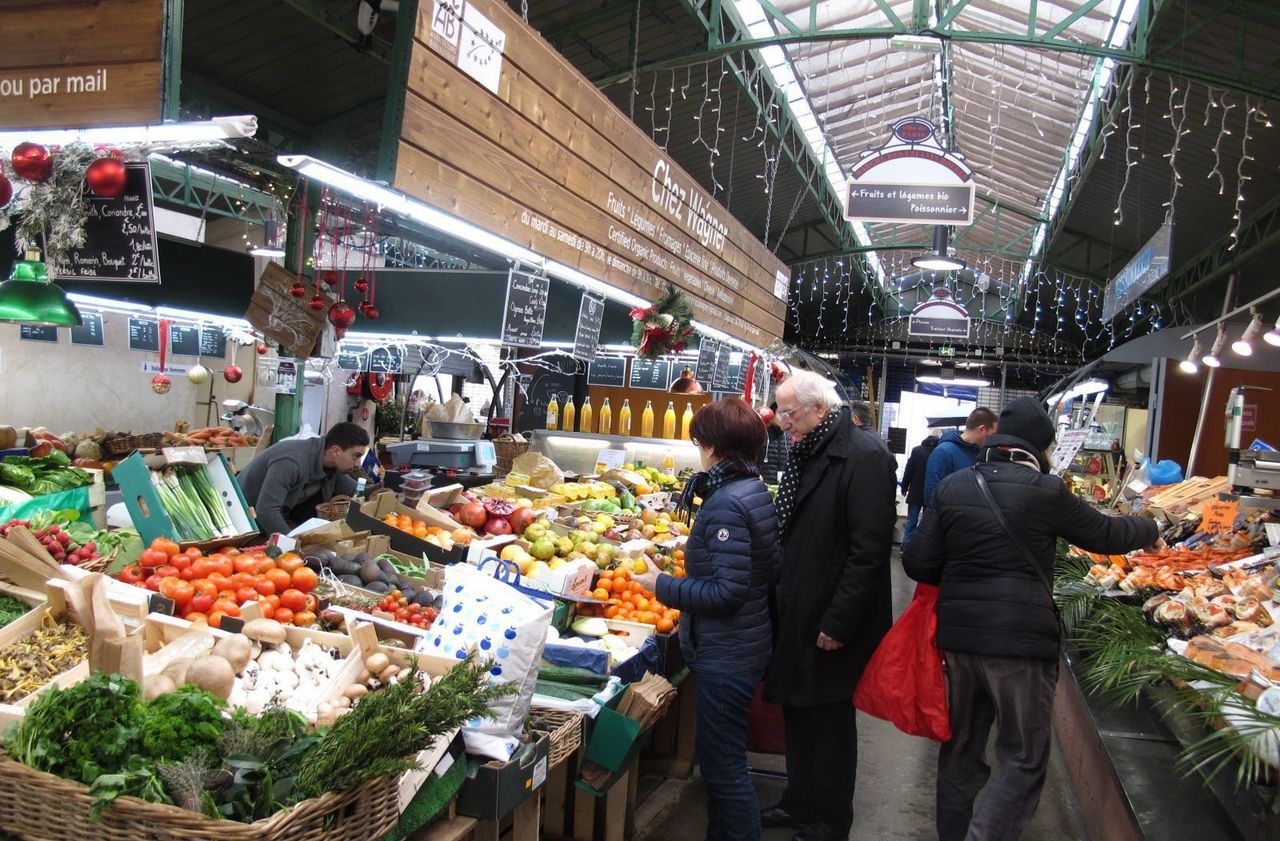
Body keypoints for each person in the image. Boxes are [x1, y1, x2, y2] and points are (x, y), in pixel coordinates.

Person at [903, 398, 1160, 841]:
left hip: (960, 641)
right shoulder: (1046, 490)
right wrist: (1152, 527)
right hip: (1020, 646)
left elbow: (919, 562)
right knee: (1022, 757)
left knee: (961, 750)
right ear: (1041, 448)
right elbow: (1105, 534)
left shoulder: (955, 487)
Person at [632, 398, 779, 841]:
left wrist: (661, 585)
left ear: (713, 445)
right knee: (723, 764)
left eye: (699, 440)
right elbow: (763, 570)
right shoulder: (752, 489)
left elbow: (727, 592)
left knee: (724, 769)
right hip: (742, 643)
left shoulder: (726, 504)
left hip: (727, 653)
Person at [760, 370, 897, 841]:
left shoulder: (864, 457)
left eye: (790, 413)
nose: (783, 423)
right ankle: (798, 801)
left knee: (831, 718)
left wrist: (839, 621)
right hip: (799, 602)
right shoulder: (808, 447)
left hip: (833, 614)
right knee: (799, 707)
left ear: (821, 409)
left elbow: (869, 551)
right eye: (780, 413)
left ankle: (831, 818)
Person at [237, 422, 370, 536]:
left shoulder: (332, 465)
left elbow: (357, 492)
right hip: (244, 520)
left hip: (281, 516)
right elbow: (266, 511)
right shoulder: (291, 462)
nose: (358, 463)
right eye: (355, 456)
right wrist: (292, 546)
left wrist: (384, 493)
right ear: (336, 451)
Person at [922, 407, 997, 506]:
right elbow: (931, 495)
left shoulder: (982, 455)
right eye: (992, 435)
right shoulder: (943, 452)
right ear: (981, 429)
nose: (994, 440)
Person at [900, 432, 940, 546]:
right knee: (927, 524)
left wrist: (904, 487)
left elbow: (909, 470)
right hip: (931, 494)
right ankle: (921, 548)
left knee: (911, 521)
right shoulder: (938, 453)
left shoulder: (917, 451)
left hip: (915, 493)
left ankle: (905, 547)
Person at [757, 404, 791, 485]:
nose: (784, 417)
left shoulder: (790, 435)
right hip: (763, 487)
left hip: (784, 487)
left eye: (787, 414)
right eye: (780, 413)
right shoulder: (761, 435)